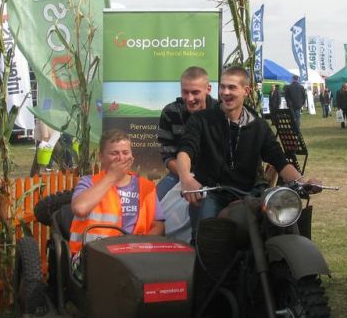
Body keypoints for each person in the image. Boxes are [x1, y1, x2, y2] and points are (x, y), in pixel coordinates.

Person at [176, 66, 321, 239]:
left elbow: (280, 161)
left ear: (246, 91)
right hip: (212, 193)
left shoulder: (259, 126)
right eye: (222, 87)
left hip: (248, 196)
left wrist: (303, 182)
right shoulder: (202, 120)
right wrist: (185, 178)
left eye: (232, 87)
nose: (225, 92)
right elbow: (186, 150)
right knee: (206, 238)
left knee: (276, 228)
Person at [69, 129, 164, 259]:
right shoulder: (88, 182)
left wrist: (141, 246)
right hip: (94, 256)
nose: (121, 158)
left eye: (125, 153)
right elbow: (80, 208)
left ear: (132, 156)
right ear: (101, 157)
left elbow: (158, 225)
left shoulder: (146, 187)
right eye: (114, 153)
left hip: (136, 256)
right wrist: (112, 176)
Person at [156, 66, 217, 200]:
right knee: (153, 203)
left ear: (208, 89)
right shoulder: (170, 112)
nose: (190, 98)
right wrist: (187, 179)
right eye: (185, 92)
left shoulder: (220, 113)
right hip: (180, 174)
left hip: (215, 179)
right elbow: (168, 156)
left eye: (195, 92)